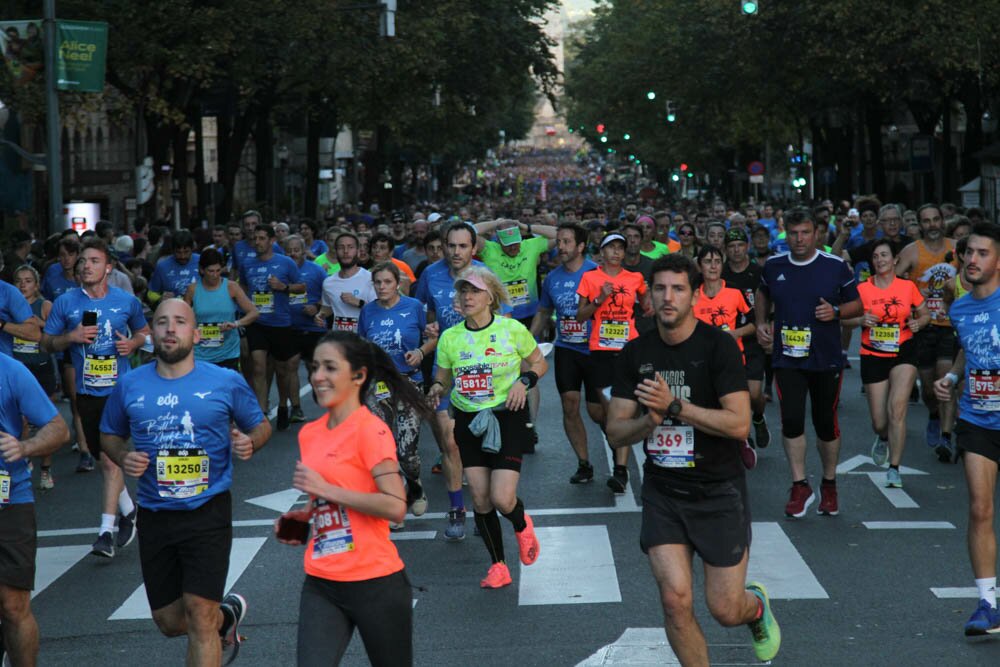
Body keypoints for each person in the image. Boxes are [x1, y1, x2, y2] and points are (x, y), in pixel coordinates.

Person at [605, 254, 780, 665]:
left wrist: (675, 407)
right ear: (649, 296)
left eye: (678, 289)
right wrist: (648, 423)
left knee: (725, 609)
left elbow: (739, 425)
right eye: (661, 288)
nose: (669, 298)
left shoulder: (718, 346)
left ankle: (754, 607)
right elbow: (615, 430)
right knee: (673, 601)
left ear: (694, 295)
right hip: (664, 491)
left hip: (718, 490)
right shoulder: (635, 353)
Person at [100, 299, 271, 665]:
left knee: (199, 614)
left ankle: (214, 617)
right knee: (170, 621)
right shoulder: (129, 384)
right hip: (156, 513)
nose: (170, 329)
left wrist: (249, 441)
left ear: (195, 334)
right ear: (151, 333)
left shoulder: (225, 381)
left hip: (207, 510)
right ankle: (227, 616)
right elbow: (109, 434)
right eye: (161, 322)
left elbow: (260, 425)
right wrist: (122, 455)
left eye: (179, 322)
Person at [274, 331, 430, 666]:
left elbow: (395, 506)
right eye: (315, 367)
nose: (317, 376)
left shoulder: (371, 431)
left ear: (358, 376)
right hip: (322, 582)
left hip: (376, 583)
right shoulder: (310, 434)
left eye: (330, 368)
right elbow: (323, 498)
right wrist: (303, 519)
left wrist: (328, 490)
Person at [428, 267, 546, 588]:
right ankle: (498, 566)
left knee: (502, 499)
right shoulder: (451, 338)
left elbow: (539, 362)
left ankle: (521, 525)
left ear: (490, 297)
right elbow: (443, 375)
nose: (466, 297)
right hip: (468, 420)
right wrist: (437, 387)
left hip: (506, 415)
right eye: (462, 291)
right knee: (480, 500)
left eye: (474, 291)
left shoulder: (511, 329)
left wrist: (525, 381)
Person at [42, 238, 150, 558]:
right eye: (83, 261)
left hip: (119, 391)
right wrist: (70, 337)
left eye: (93, 261)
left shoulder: (125, 301)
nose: (86, 266)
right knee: (106, 458)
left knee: (109, 461)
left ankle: (105, 531)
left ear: (108, 267)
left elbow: (144, 332)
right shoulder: (66, 303)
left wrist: (132, 344)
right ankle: (130, 510)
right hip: (87, 392)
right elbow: (47, 343)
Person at [755, 208, 862, 518]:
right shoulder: (774, 265)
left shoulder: (834, 266)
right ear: (785, 234)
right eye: (793, 233)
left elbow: (857, 303)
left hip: (825, 357)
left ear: (817, 233)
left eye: (805, 232)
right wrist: (762, 321)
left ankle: (829, 484)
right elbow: (763, 293)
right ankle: (799, 485)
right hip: (787, 357)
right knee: (791, 419)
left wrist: (837, 312)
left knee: (825, 423)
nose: (799, 239)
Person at [933, 223, 1000, 636]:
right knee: (979, 508)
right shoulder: (959, 308)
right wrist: (954, 379)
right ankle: (988, 602)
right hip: (977, 418)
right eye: (968, 252)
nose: (972, 260)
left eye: (983, 254)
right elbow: (967, 348)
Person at [412, 221, 486, 540]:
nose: (455, 252)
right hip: (444, 368)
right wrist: (429, 329)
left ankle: (486, 509)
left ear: (474, 248)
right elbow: (424, 311)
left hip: (482, 368)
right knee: (450, 441)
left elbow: (505, 319)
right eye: (450, 245)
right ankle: (457, 508)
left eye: (462, 246)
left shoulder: (485, 275)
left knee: (483, 443)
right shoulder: (430, 274)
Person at [0, 353, 70, 667]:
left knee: (13, 605)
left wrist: (25, 447)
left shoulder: (11, 371)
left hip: (9, 499)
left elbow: (57, 428)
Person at [843, 240, 929, 487]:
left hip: (904, 351)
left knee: (898, 409)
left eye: (884, 255)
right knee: (880, 421)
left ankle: (894, 468)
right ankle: (882, 437)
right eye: (875, 256)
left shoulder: (907, 287)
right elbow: (842, 319)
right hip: (873, 354)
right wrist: (860, 319)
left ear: (895, 261)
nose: (880, 260)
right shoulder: (862, 289)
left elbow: (925, 313)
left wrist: (918, 323)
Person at [576, 232, 651, 494]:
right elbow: (580, 314)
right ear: (602, 253)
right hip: (600, 351)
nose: (617, 252)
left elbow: (647, 304)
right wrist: (600, 299)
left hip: (628, 348)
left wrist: (648, 300)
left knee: (617, 410)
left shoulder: (635, 278)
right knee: (601, 412)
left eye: (621, 247)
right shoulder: (590, 277)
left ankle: (620, 471)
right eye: (611, 248)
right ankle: (621, 433)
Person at [358, 262, 429, 524]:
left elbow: (432, 337)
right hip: (376, 386)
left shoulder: (413, 307)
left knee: (406, 451)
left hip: (408, 383)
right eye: (378, 283)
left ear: (397, 282)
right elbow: (363, 345)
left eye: (387, 282)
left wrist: (421, 351)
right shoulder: (367, 311)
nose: (382, 287)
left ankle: (415, 485)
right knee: (383, 448)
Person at [531, 223, 602, 484]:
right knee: (570, 405)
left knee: (597, 412)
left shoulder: (596, 272)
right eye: (558, 241)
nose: (560, 247)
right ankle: (584, 463)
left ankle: (618, 448)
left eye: (566, 242)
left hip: (596, 350)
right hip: (567, 349)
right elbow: (543, 311)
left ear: (581, 246)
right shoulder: (552, 278)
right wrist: (529, 340)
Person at [894, 204, 960, 461]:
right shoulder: (912, 251)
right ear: (920, 224)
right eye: (926, 221)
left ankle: (946, 436)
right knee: (929, 388)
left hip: (950, 326)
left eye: (936, 219)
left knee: (945, 379)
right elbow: (893, 280)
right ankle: (934, 414)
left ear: (943, 221)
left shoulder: (956, 249)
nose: (932, 225)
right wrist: (911, 295)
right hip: (921, 326)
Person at [692, 245, 757, 469]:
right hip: (701, 360)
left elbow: (755, 323)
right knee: (707, 407)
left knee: (733, 403)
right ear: (699, 265)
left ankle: (742, 441)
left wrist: (736, 334)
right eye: (708, 261)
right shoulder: (692, 296)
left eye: (717, 261)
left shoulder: (734, 293)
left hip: (732, 357)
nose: (713, 266)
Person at [239, 224, 304, 429]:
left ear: (271, 241)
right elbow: (243, 287)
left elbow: (301, 287)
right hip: (257, 322)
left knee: (282, 369)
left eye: (261, 238)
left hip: (280, 322)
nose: (257, 242)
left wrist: (283, 287)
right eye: (255, 238)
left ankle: (283, 405)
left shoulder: (285, 263)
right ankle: (262, 413)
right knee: (257, 365)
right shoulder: (247, 263)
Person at [721, 228, 771, 450]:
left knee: (754, 394)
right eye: (731, 246)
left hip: (751, 340)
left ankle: (758, 417)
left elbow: (771, 303)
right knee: (731, 394)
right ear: (726, 250)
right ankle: (743, 434)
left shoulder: (758, 272)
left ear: (747, 247)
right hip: (725, 343)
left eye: (740, 245)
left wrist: (770, 328)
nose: (736, 250)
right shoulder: (720, 274)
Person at [12, 265, 58, 489]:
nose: (23, 285)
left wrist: (33, 321)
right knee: (20, 420)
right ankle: (24, 458)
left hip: (41, 367)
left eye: (28, 280)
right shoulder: (8, 306)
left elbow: (54, 333)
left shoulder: (45, 305)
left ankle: (46, 468)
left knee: (45, 422)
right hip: (18, 369)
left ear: (36, 285)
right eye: (19, 281)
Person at [184, 248, 259, 371]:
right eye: (211, 271)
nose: (215, 275)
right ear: (202, 270)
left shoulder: (231, 287)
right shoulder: (192, 290)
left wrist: (235, 324)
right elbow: (183, 318)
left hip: (228, 353)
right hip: (201, 355)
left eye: (218, 270)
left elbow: (254, 312)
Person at [284, 235, 328, 424]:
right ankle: (296, 408)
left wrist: (316, 308)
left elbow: (329, 295)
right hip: (290, 326)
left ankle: (318, 389)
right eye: (289, 250)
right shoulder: (282, 271)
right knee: (290, 365)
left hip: (314, 327)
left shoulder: (316, 271)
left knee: (313, 367)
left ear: (304, 250)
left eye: (296, 249)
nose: (293, 253)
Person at [315, 232, 376, 335]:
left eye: (350, 247)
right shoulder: (328, 282)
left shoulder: (371, 278)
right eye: (341, 247)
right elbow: (328, 307)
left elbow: (381, 310)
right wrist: (320, 315)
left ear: (357, 252)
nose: (346, 251)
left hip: (365, 340)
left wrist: (359, 302)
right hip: (339, 341)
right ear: (335, 251)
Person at [148, 230, 200, 303]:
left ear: (192, 249)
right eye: (178, 252)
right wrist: (160, 298)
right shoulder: (162, 266)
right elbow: (150, 293)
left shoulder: (202, 262)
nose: (183, 256)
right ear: (172, 250)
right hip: (173, 310)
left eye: (186, 252)